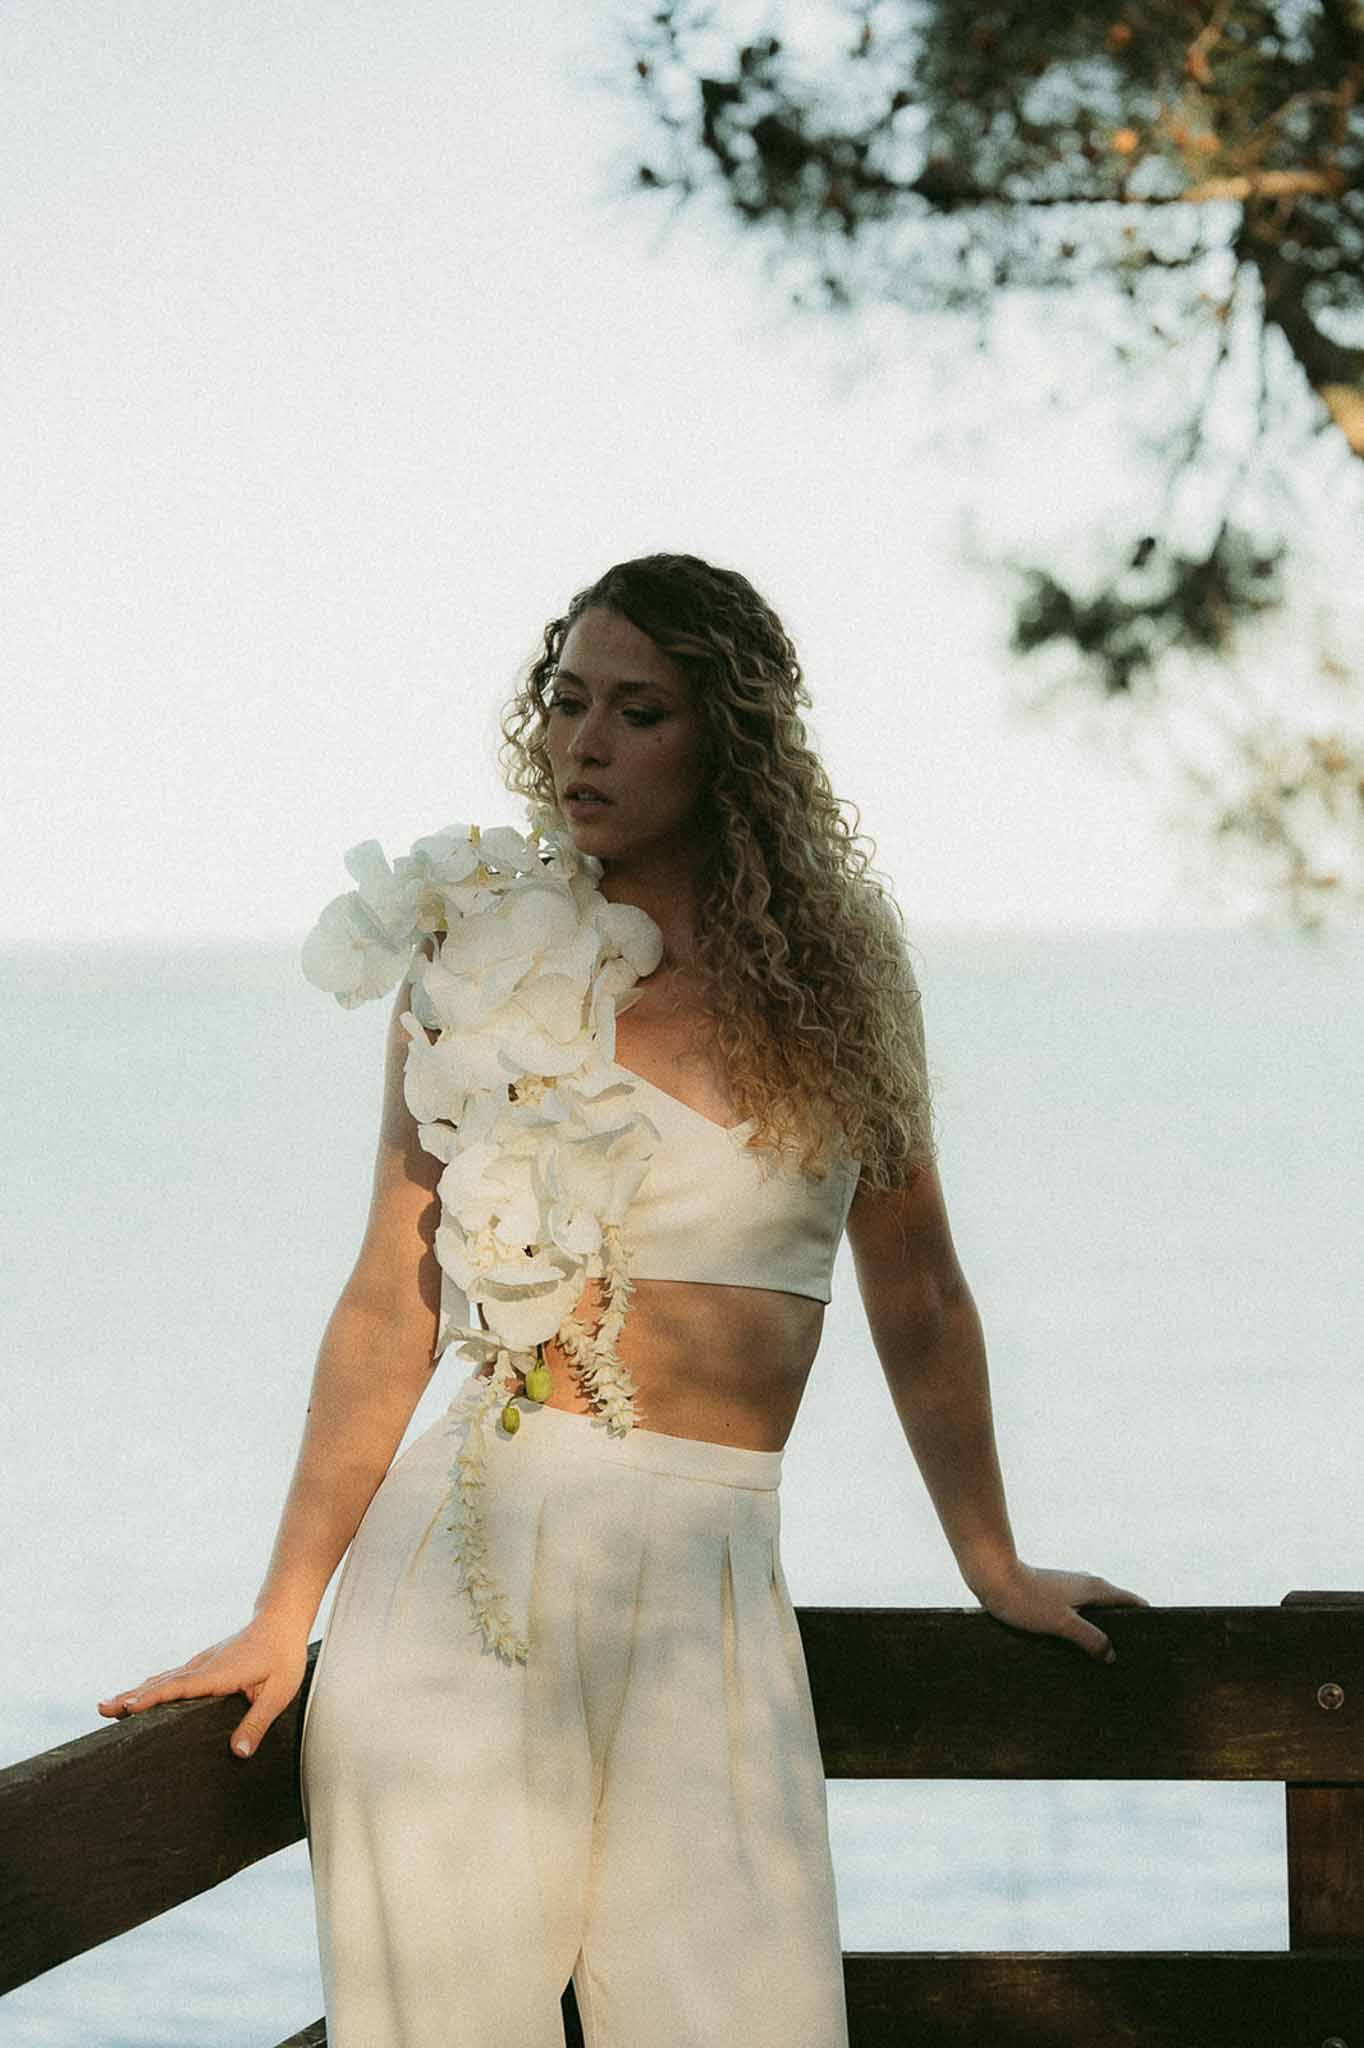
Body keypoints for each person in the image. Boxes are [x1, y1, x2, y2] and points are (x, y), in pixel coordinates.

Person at [98, 553, 1147, 2046]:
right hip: (463, 1578)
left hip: (714, 1582)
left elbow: (919, 1293)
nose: (584, 744)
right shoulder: (477, 955)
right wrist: (284, 1613)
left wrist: (992, 1559)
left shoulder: (842, 977)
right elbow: (393, 1302)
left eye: (639, 712)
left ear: (730, 742)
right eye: (567, 700)